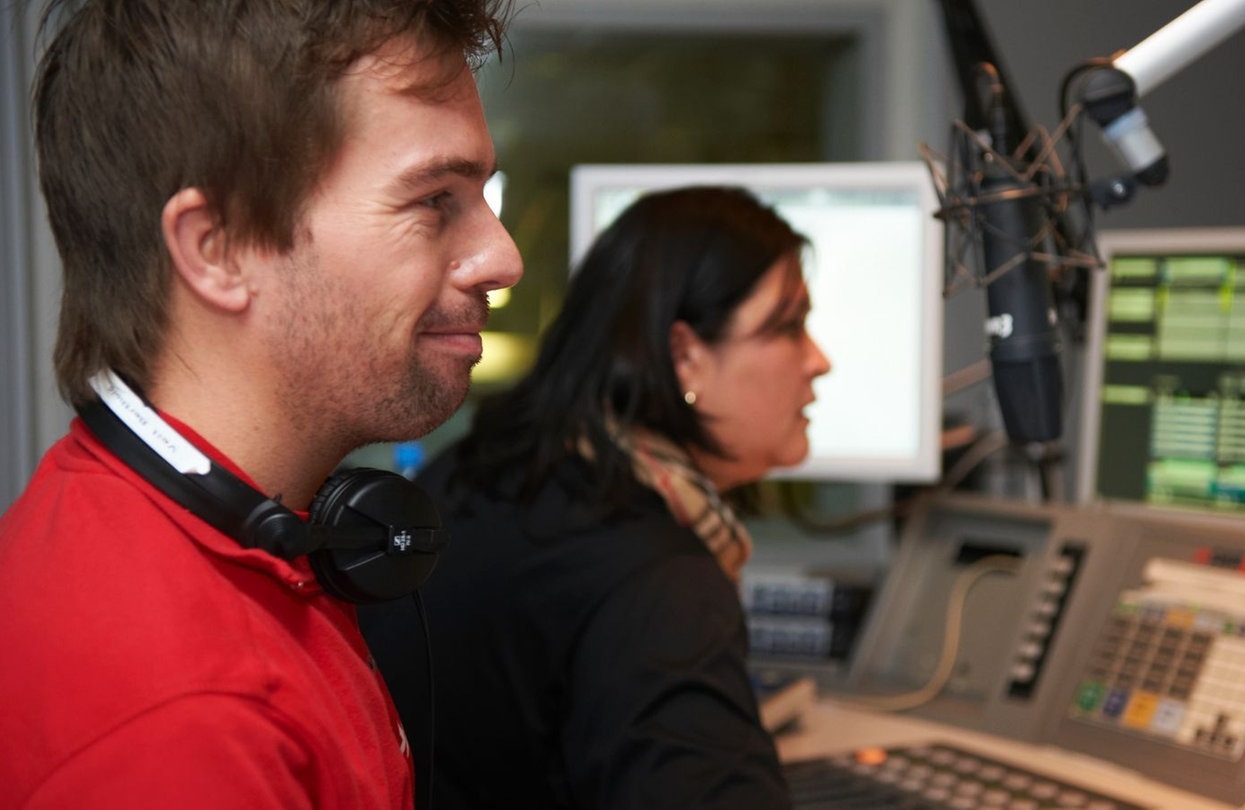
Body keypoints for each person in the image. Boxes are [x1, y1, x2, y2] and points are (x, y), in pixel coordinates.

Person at [0, 1, 521, 807]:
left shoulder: (243, 538)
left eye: (482, 196)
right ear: (221, 249)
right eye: (434, 201)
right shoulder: (183, 727)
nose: (502, 257)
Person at [362, 185, 832, 809]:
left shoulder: (483, 470)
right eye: (789, 327)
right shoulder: (657, 580)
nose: (819, 361)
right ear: (686, 357)